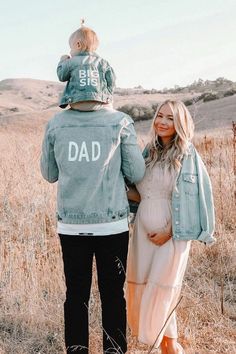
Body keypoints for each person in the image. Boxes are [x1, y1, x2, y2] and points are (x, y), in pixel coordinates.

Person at [40, 98, 145, 353]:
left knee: (76, 295)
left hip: (72, 225)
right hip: (111, 225)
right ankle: (114, 350)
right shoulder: (119, 121)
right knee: (112, 295)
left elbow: (49, 173)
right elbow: (137, 172)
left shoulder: (55, 123)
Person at [126, 100, 215, 354]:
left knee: (162, 290)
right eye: (160, 116)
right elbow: (142, 194)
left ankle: (159, 347)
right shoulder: (148, 152)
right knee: (146, 289)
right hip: (142, 236)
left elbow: (199, 198)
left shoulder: (187, 155)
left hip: (173, 235)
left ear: (180, 123)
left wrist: (171, 231)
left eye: (170, 118)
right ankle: (169, 347)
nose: (163, 122)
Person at [57, 21, 116, 110]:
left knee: (62, 94)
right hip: (99, 102)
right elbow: (112, 81)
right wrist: (107, 96)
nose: (70, 52)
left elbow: (61, 76)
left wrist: (62, 61)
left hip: (76, 102)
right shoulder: (103, 63)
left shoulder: (71, 62)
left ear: (78, 45)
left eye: (71, 48)